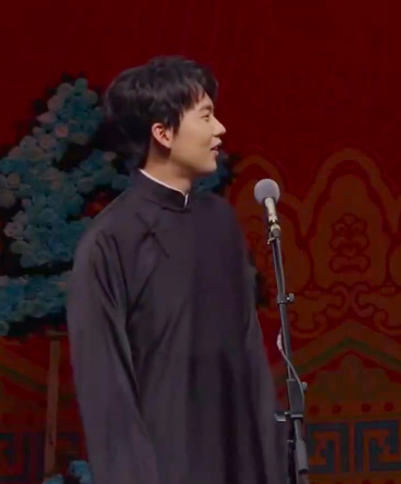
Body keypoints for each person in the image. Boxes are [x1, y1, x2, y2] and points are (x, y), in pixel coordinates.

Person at [67, 56, 286, 484]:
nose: (220, 129)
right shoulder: (111, 240)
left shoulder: (220, 223)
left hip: (237, 457)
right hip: (163, 464)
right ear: (163, 133)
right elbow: (107, 391)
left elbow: (249, 357)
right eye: (205, 116)